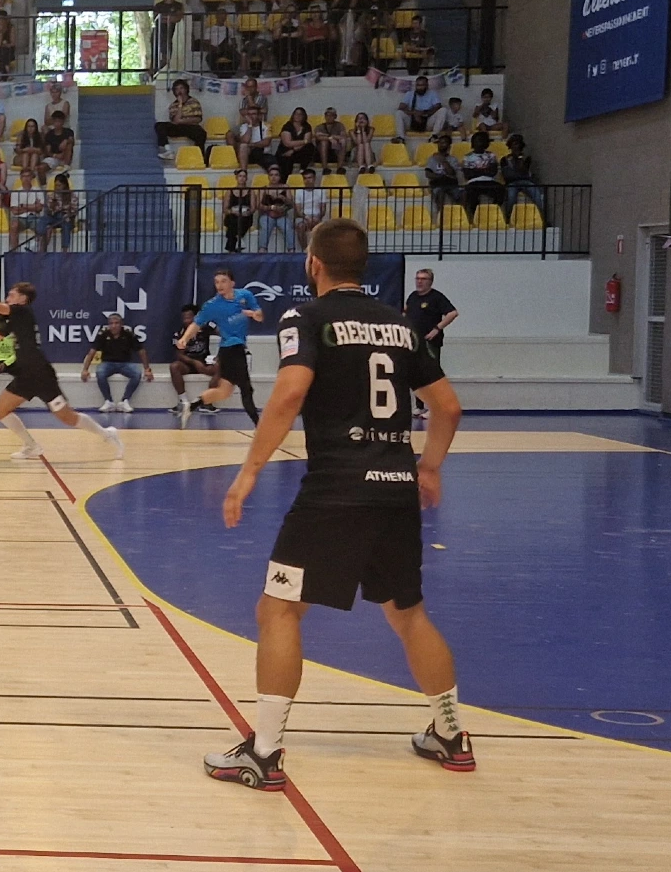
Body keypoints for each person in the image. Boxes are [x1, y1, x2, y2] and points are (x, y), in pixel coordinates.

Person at [204, 217, 471, 791]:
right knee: (407, 612)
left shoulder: (306, 316)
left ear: (313, 264)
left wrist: (249, 470)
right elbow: (447, 408)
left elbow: (291, 391)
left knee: (277, 609)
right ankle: (451, 736)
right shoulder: (400, 323)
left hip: (335, 488)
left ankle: (264, 752)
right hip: (395, 485)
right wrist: (429, 467)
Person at [0, 284, 124, 461]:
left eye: (11, 295)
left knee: (67, 417)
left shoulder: (22, 311)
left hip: (40, 373)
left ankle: (107, 434)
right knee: (0, 409)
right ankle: (31, 446)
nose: (8, 298)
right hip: (26, 375)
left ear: (22, 298)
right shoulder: (15, 319)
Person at [176, 269, 264, 423]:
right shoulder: (212, 305)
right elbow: (197, 323)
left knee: (225, 391)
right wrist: (184, 338)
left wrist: (254, 314)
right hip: (231, 348)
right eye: (216, 282)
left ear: (232, 283)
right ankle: (259, 426)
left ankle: (191, 405)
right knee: (246, 388)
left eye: (223, 281)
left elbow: (259, 315)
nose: (219, 285)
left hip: (233, 349)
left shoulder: (245, 295)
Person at [82, 313, 152, 413]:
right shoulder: (103, 334)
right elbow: (92, 352)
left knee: (136, 373)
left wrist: (147, 370)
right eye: (111, 323)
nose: (114, 326)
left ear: (121, 324)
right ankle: (108, 401)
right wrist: (85, 370)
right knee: (100, 372)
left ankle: (125, 401)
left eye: (116, 323)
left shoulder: (128, 334)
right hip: (107, 363)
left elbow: (141, 351)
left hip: (125, 364)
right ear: (108, 325)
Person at [168, 304, 218, 413]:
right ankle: (183, 402)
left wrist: (220, 356)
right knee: (174, 366)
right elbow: (180, 354)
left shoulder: (205, 326)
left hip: (204, 361)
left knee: (222, 367)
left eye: (189, 317)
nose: (186, 321)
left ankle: (207, 402)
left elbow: (224, 335)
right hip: (188, 363)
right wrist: (194, 362)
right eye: (184, 318)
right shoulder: (179, 332)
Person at [157, 78, 210, 161]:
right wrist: (180, 105)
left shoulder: (194, 102)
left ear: (186, 89)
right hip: (178, 128)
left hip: (191, 127)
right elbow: (175, 121)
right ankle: (168, 150)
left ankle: (200, 158)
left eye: (181, 88)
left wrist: (182, 121)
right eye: (177, 89)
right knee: (159, 125)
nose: (179, 91)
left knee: (201, 133)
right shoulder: (173, 105)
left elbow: (198, 119)